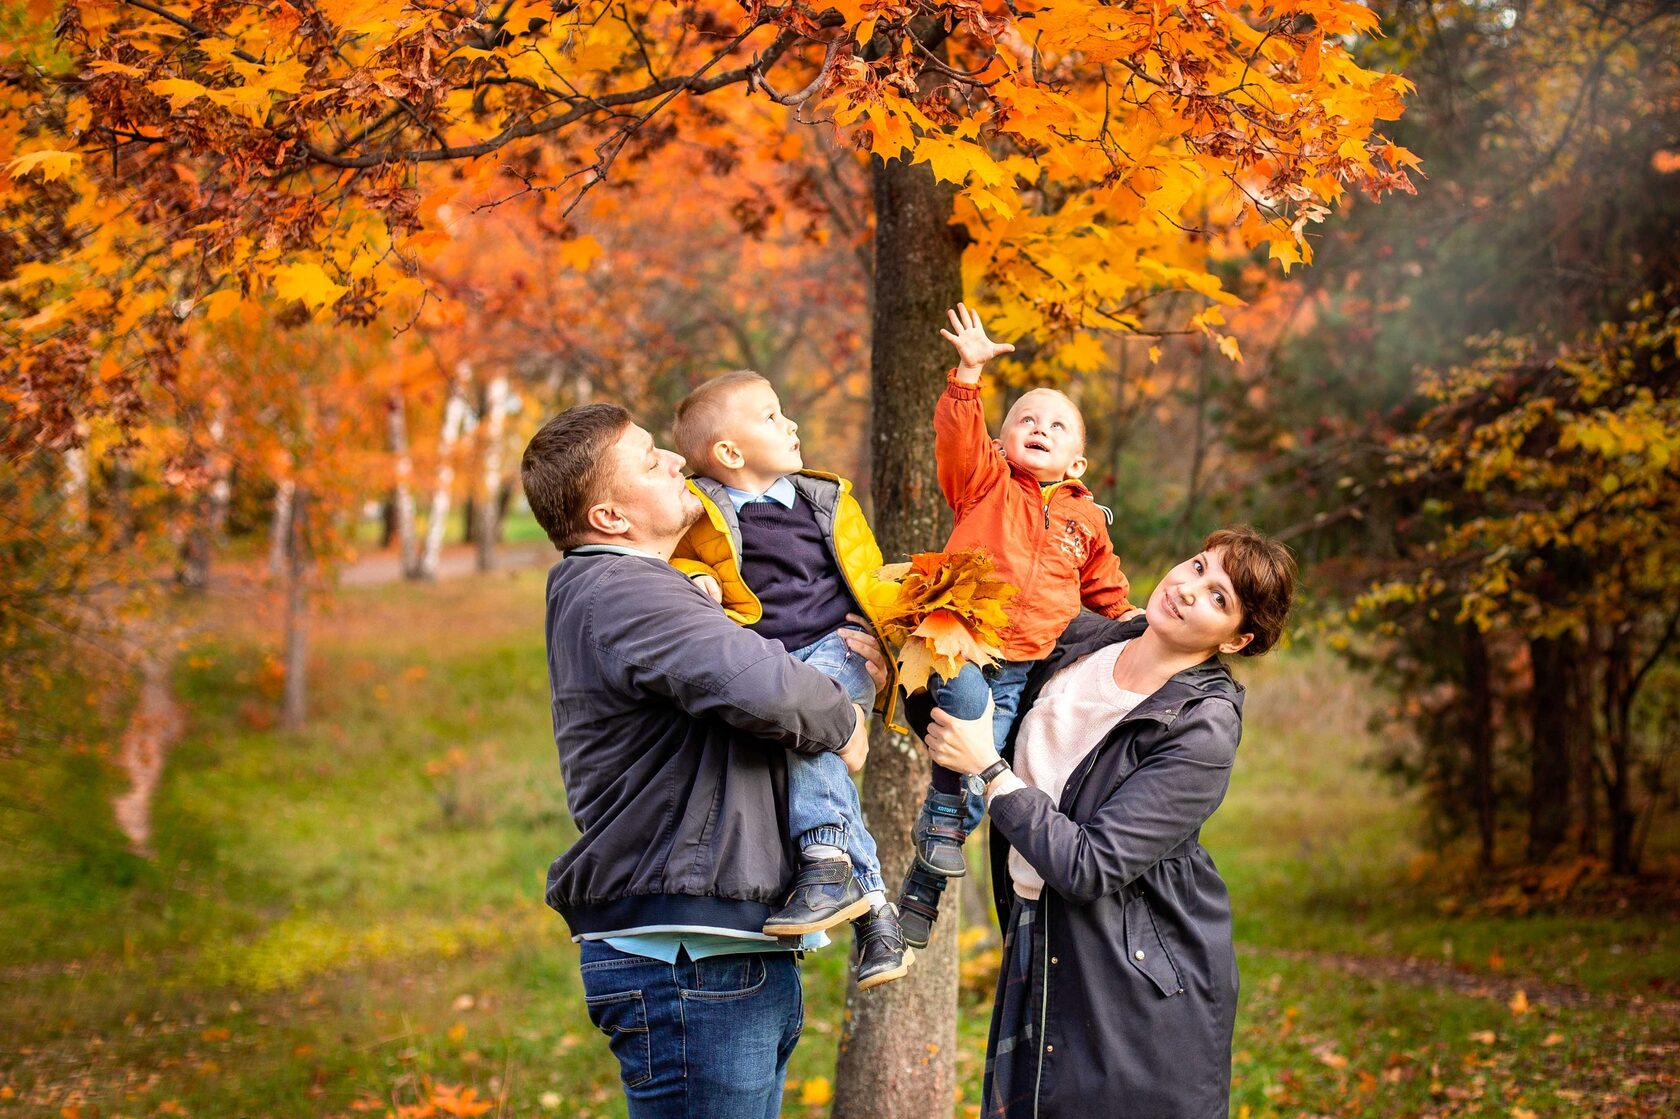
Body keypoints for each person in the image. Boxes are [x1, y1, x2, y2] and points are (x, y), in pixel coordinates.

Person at [521, 403, 890, 1119]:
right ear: (608, 516)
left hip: (713, 949)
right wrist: (845, 713)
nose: (672, 462)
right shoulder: (622, 590)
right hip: (688, 958)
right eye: (648, 458)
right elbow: (768, 686)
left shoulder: (634, 588)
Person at [919, 526, 1297, 1119]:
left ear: (1237, 639)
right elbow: (970, 711)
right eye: (1198, 566)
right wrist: (898, 662)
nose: (1191, 589)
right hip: (1037, 928)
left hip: (1133, 976)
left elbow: (1091, 865)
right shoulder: (1084, 638)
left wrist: (988, 772)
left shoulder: (1203, 725)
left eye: (1220, 598)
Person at [898, 304, 1137, 950]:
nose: (1039, 427)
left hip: (1022, 667)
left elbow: (1105, 589)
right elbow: (957, 438)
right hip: (960, 639)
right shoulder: (985, 482)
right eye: (1026, 418)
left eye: (1057, 425)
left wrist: (1135, 619)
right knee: (967, 710)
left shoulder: (1085, 520)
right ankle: (943, 820)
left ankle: (925, 878)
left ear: (1078, 463)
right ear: (1003, 440)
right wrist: (968, 376)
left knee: (984, 771)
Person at [669, 371, 911, 989]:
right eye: (772, 417)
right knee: (791, 724)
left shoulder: (823, 499)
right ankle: (879, 920)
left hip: (843, 648)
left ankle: (825, 860)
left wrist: (894, 649)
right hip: (776, 663)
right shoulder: (703, 512)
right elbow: (681, 558)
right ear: (729, 452)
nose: (792, 424)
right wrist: (695, 578)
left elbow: (870, 575)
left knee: (798, 719)